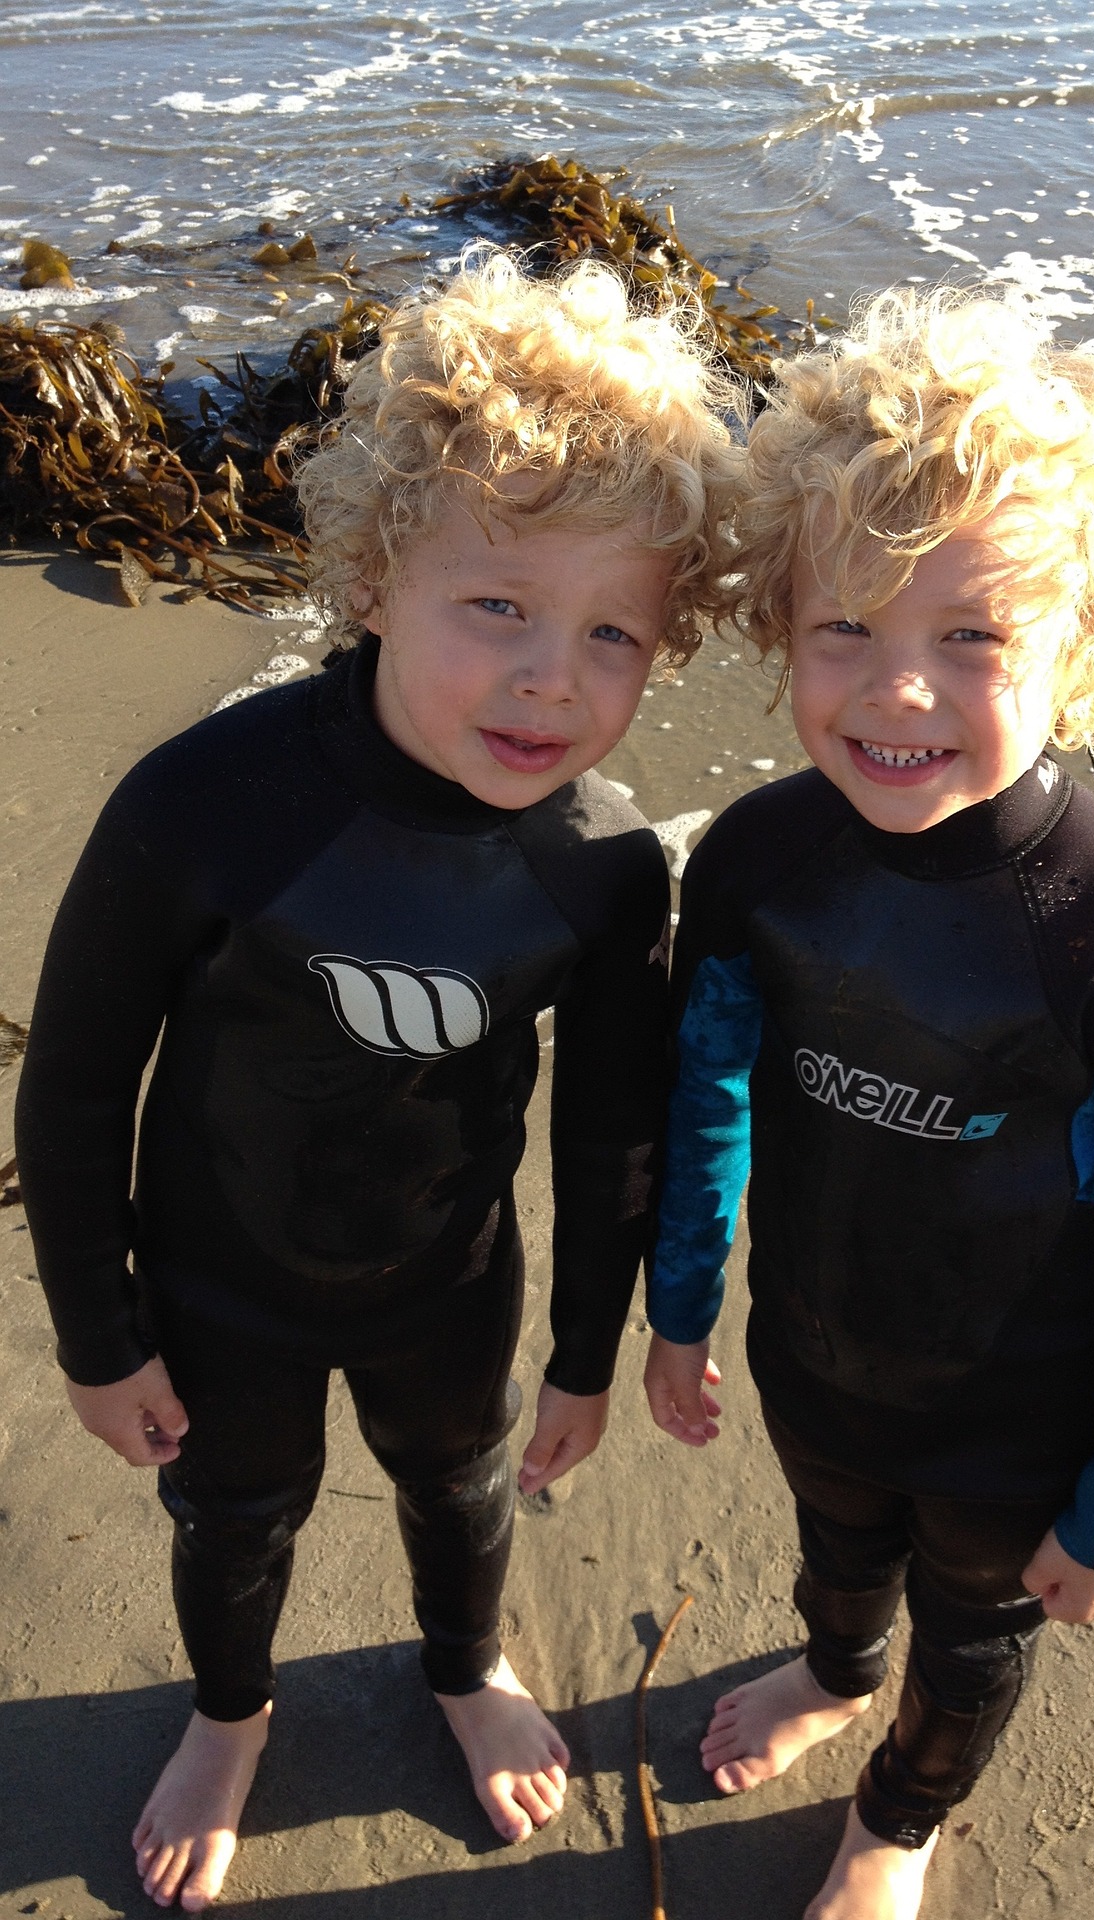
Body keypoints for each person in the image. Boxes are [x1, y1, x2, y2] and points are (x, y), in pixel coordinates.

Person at [15, 249, 739, 1912]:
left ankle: (464, 1666)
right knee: (233, 1515)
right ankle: (229, 1711)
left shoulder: (604, 867)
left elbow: (611, 1133)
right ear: (371, 576)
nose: (553, 675)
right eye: (499, 606)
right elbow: (74, 1088)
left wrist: (582, 1354)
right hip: (220, 1280)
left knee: (460, 1482)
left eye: (614, 631)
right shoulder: (205, 803)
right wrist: (98, 1335)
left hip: (447, 1281)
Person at [642, 286, 1094, 1920]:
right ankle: (835, 1669)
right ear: (778, 617)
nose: (894, 691)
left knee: (973, 1635)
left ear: (1089, 641)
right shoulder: (759, 861)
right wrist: (681, 1308)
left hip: (1013, 1415)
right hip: (811, 1348)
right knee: (835, 1545)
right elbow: (705, 1085)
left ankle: (897, 1820)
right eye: (842, 627)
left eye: (971, 638)